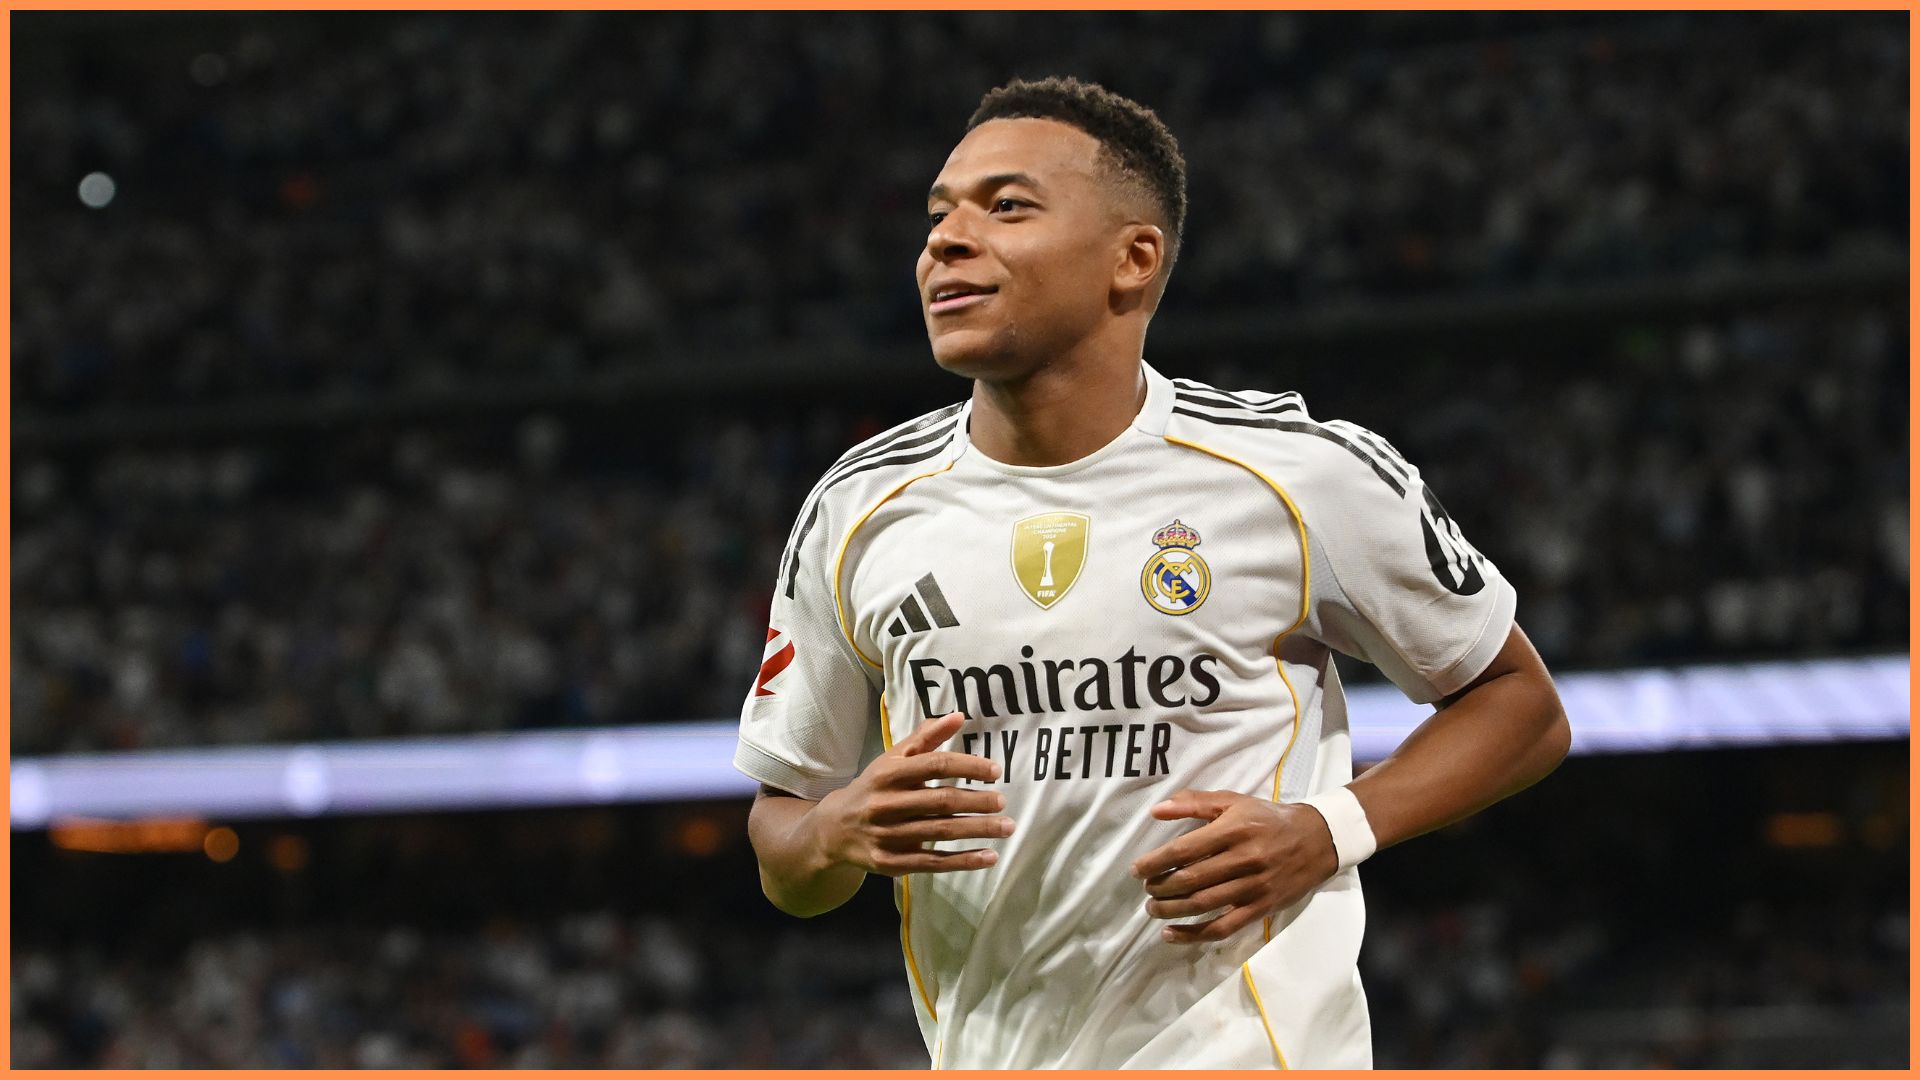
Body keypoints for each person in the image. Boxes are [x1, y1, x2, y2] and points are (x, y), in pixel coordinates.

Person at [735, 75, 1569, 1069]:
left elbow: (1520, 707)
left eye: (1006, 206)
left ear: (1133, 260)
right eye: (937, 214)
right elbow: (784, 846)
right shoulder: (858, 508)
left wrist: (1328, 828)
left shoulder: (1300, 473)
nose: (944, 242)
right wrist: (834, 832)